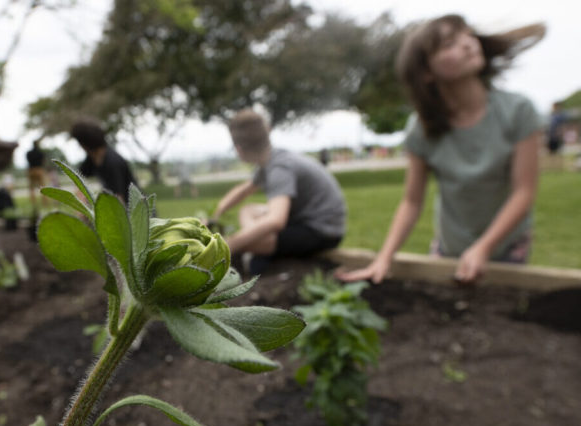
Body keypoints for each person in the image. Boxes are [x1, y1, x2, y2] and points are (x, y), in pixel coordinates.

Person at [338, 14, 545, 285]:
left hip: (506, 246)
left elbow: (523, 191)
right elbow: (412, 201)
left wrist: (484, 247)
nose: (468, 44)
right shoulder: (422, 129)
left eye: (468, 35)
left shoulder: (518, 111)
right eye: (449, 44)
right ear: (426, 72)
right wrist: (384, 258)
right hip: (449, 247)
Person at [211, 108, 346, 275]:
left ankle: (256, 255)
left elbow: (276, 220)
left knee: (246, 241)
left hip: (323, 230)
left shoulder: (279, 169)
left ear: (238, 149)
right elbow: (243, 191)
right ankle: (260, 249)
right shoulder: (271, 159)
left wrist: (228, 245)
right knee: (248, 210)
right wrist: (215, 215)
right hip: (306, 219)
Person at [71, 120, 139, 205]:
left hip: (137, 211)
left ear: (85, 144)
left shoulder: (113, 162)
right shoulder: (91, 159)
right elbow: (78, 179)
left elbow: (118, 200)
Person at [26, 140, 48, 210]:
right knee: (43, 187)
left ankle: (33, 203)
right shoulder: (41, 153)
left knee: (31, 188)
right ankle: (45, 203)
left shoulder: (28, 153)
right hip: (39, 170)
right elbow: (43, 161)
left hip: (31, 170)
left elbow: (27, 161)